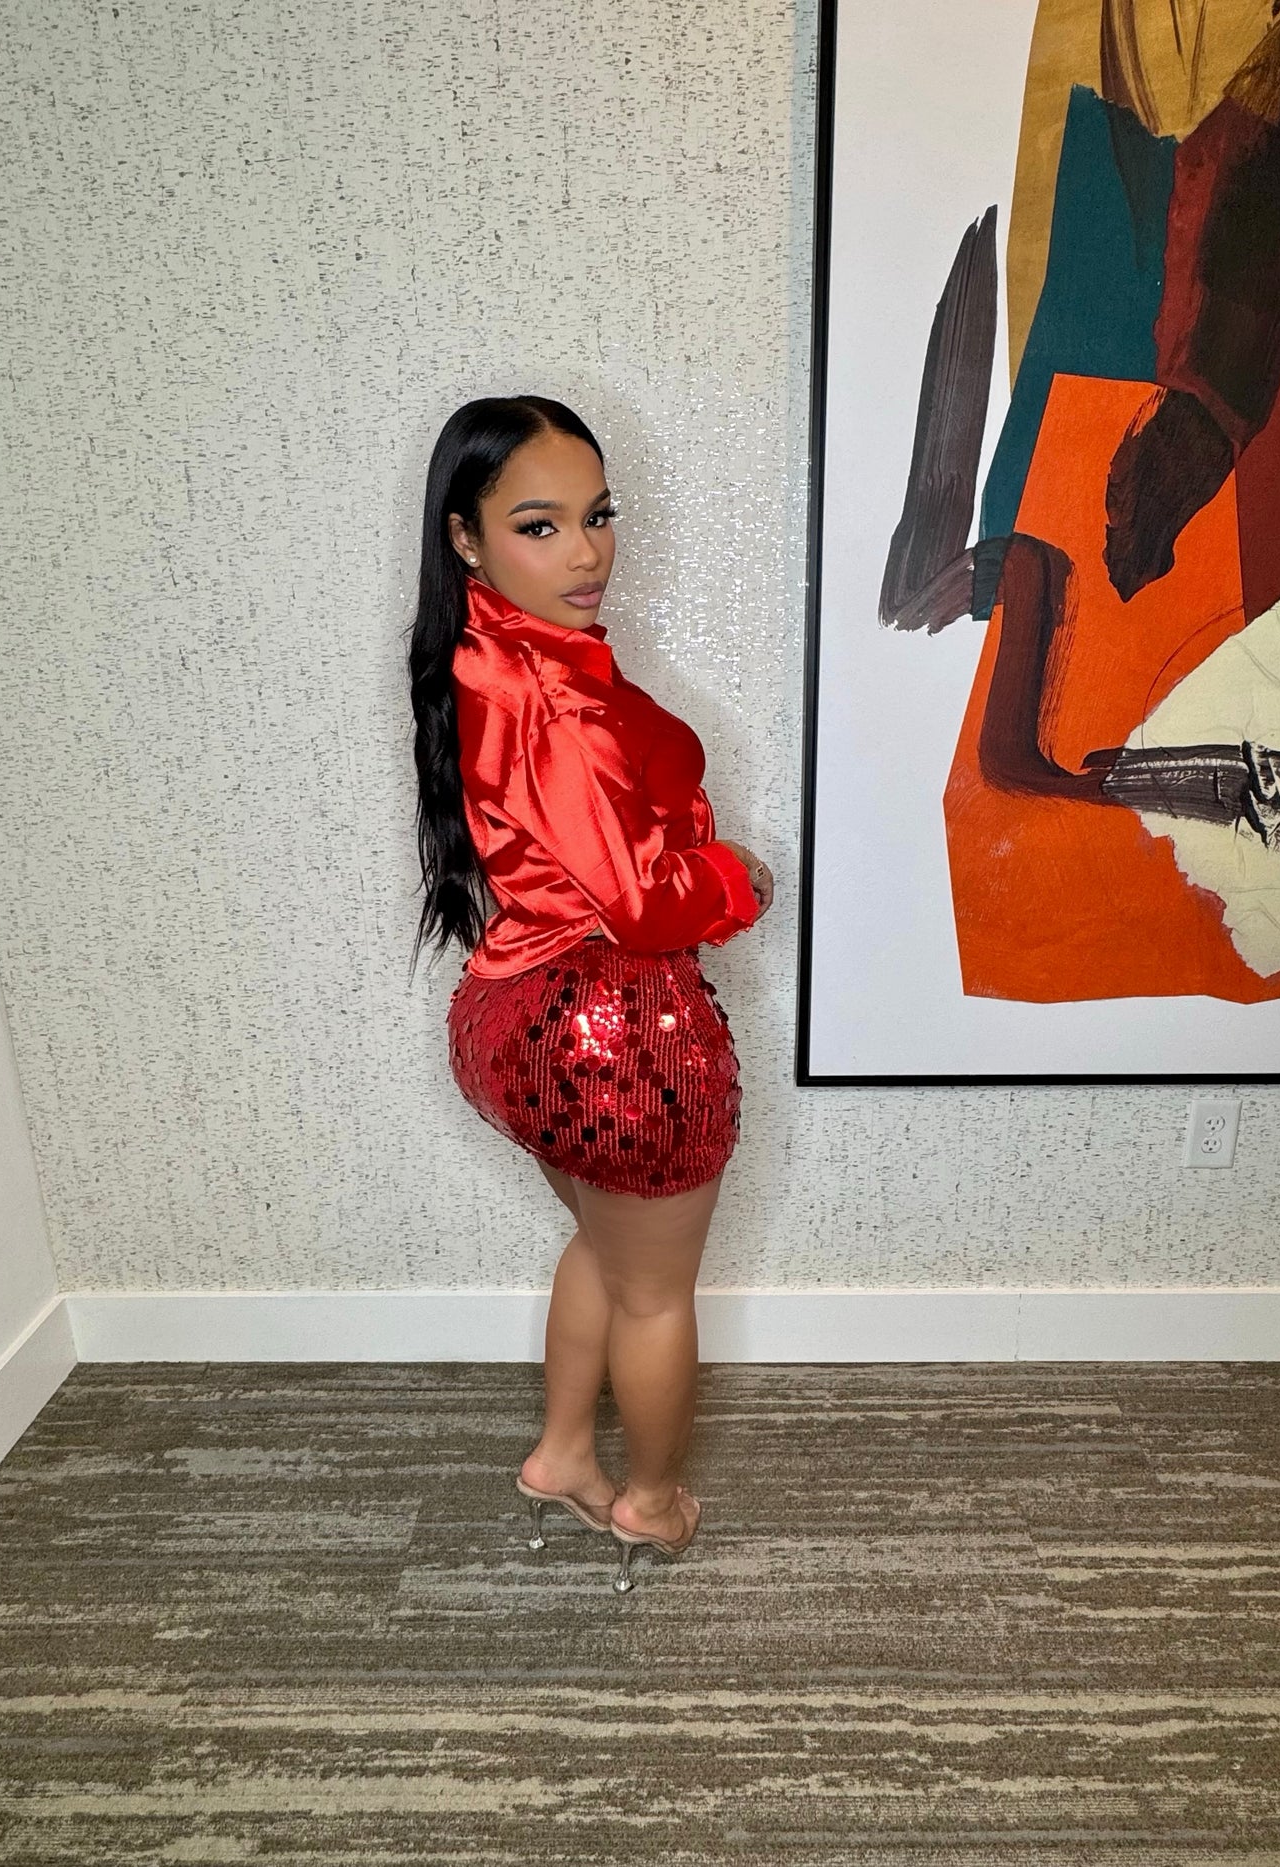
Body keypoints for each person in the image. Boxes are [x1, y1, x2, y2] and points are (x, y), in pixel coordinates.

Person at [407, 396, 773, 1589]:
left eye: (597, 515)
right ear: (465, 539)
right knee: (656, 1296)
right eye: (539, 525)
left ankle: (563, 1452)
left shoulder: (486, 657)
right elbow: (644, 905)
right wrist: (740, 875)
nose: (585, 553)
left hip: (509, 1014)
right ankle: (650, 1503)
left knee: (606, 1251)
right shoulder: (555, 695)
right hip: (609, 1036)